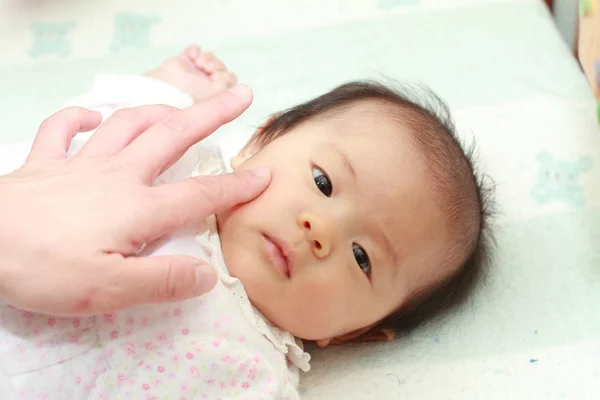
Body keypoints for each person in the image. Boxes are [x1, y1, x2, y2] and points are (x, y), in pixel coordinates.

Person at [0, 45, 493, 399]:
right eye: (323, 183)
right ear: (262, 137)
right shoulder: (181, 163)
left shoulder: (257, 379)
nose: (320, 231)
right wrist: (172, 86)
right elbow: (119, 121)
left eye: (362, 258)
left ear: (353, 334)